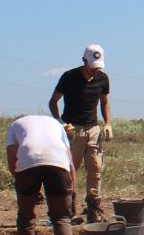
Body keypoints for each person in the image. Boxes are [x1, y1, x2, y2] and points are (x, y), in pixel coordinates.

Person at [48, 44, 112, 221]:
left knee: (95, 169)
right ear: (84, 60)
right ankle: (67, 209)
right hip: (73, 130)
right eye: (92, 67)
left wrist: (107, 123)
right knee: (70, 170)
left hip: (93, 129)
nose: (94, 71)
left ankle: (93, 208)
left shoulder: (103, 79)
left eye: (97, 67)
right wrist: (61, 122)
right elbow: (53, 102)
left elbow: (104, 102)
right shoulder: (69, 77)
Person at [6, 113, 76, 235]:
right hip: (58, 163)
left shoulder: (15, 125)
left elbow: (12, 158)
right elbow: (70, 164)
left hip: (27, 164)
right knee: (61, 217)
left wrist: (22, 183)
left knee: (25, 217)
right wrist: (73, 193)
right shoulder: (56, 124)